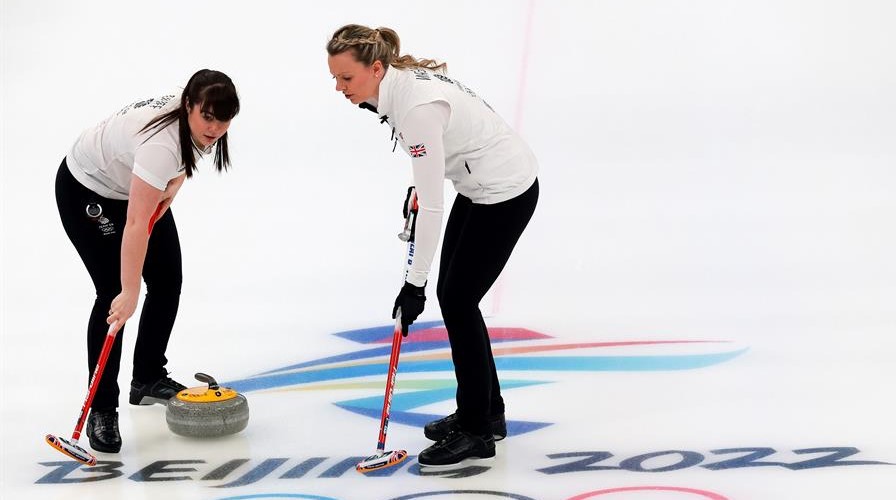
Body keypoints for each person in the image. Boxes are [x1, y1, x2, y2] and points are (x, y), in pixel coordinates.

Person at [327, 25, 539, 467]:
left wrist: (413, 284)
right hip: (478, 181)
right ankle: (486, 411)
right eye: (335, 77)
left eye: (346, 78)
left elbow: (434, 209)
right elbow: (435, 161)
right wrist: (419, 186)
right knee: (458, 299)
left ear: (376, 69)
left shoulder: (415, 110)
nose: (339, 88)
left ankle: (478, 432)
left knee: (457, 301)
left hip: (503, 192)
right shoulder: (399, 87)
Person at [54, 69, 240, 453]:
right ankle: (102, 409)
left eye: (224, 121)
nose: (216, 128)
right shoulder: (161, 146)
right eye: (208, 118)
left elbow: (181, 159)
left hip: (134, 185)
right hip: (87, 189)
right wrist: (129, 291)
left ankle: (148, 378)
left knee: (168, 278)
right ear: (189, 105)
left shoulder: (197, 114)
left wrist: (177, 181)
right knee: (112, 297)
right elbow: (137, 224)